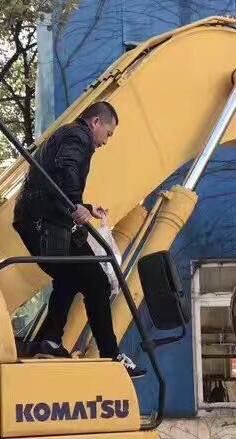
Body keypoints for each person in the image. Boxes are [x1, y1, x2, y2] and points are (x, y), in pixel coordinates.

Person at [13, 100, 143, 378]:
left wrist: (85, 205)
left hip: (38, 218)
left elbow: (57, 176)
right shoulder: (78, 135)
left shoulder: (66, 136)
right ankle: (111, 354)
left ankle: (50, 340)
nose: (105, 142)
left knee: (69, 277)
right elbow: (66, 166)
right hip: (45, 221)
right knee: (96, 280)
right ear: (95, 123)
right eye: (108, 134)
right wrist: (75, 204)